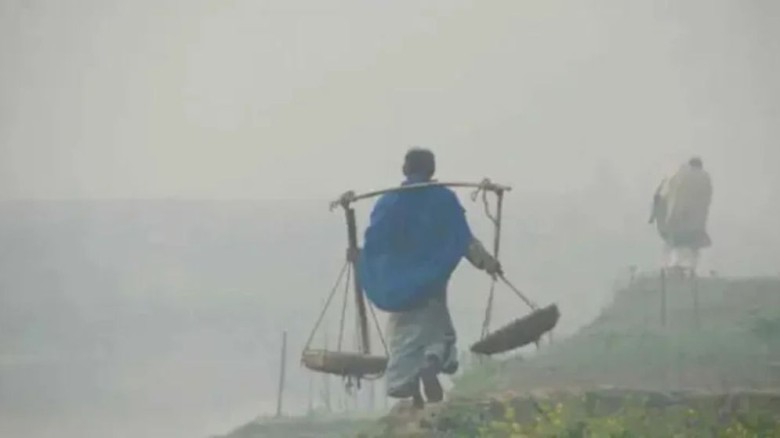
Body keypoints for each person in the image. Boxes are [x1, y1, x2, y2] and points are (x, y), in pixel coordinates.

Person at [356, 148, 502, 409]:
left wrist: (359, 258)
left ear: (405, 169)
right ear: (432, 170)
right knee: (438, 333)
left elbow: (375, 243)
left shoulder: (389, 202)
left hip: (398, 287)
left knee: (404, 339)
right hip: (431, 282)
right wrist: (486, 263)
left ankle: (414, 393)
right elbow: (462, 238)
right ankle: (431, 363)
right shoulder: (443, 200)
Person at [649, 156, 713, 277]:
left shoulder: (678, 175)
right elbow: (705, 201)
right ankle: (689, 268)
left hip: (676, 222)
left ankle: (674, 266)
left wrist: (653, 216)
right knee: (691, 246)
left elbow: (660, 195)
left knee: (675, 244)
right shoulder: (705, 178)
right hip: (696, 226)